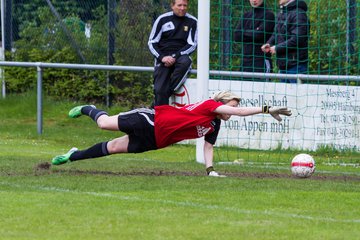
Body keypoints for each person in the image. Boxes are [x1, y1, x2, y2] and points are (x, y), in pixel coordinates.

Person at [51, 91, 292, 177]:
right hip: (151, 120)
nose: (233, 107)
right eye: (231, 103)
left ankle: (73, 156)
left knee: (112, 148)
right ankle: (87, 108)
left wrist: (210, 171)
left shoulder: (214, 125)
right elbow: (238, 111)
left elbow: (208, 148)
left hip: (157, 140)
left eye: (235, 104)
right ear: (222, 101)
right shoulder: (209, 105)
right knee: (103, 123)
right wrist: (266, 109)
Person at [148, 0, 197, 106]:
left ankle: (163, 96)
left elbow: (192, 44)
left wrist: (175, 56)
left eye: (185, 5)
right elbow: (152, 42)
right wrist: (162, 57)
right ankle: (157, 113)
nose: (182, 8)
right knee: (159, 89)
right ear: (172, 6)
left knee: (186, 62)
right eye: (179, 5)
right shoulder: (162, 19)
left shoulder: (193, 21)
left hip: (180, 56)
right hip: (163, 57)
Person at [261, 0, 310, 83]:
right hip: (283, 66)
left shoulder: (299, 14)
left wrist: (277, 48)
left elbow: (297, 39)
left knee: (296, 95)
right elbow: (276, 33)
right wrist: (269, 44)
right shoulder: (282, 13)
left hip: (296, 66)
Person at [234, 0, 275, 79]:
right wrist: (254, 31)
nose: (254, 0)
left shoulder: (269, 15)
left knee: (262, 89)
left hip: (261, 62)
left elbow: (259, 35)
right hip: (245, 63)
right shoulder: (246, 15)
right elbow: (237, 36)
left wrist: (245, 32)